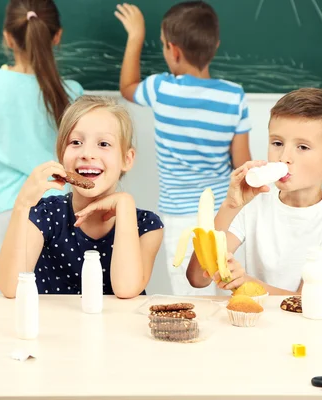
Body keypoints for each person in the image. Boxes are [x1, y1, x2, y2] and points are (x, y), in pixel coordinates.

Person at [115, 1, 252, 295]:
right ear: (215, 45)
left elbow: (127, 87)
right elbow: (242, 164)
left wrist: (136, 36)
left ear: (173, 51)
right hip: (224, 215)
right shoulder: (233, 97)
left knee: (193, 296)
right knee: (231, 287)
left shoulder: (161, 90)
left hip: (180, 217)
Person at [186, 88, 322, 296]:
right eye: (277, 143)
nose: (284, 157)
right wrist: (230, 206)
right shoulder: (253, 203)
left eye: (303, 147)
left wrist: (246, 283)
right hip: (258, 324)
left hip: (317, 326)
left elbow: (305, 300)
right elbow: (197, 278)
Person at [0, 96, 164, 299]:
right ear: (61, 154)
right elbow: (10, 287)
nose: (87, 153)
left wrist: (125, 203)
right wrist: (23, 204)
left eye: (103, 143)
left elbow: (125, 289)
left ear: (127, 159)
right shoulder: (45, 214)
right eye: (76, 142)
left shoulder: (147, 226)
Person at [0, 0, 83, 292]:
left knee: (11, 287)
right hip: (61, 201)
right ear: (56, 36)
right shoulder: (73, 91)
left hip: (9, 203)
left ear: (8, 38)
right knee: (60, 290)